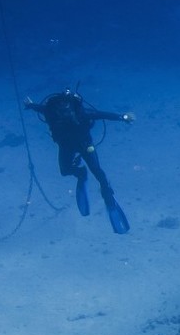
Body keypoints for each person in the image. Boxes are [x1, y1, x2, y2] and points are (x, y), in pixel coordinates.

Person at [25, 89, 134, 234]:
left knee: (95, 171)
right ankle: (83, 175)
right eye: (61, 108)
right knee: (70, 171)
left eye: (66, 107)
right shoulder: (56, 111)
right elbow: (100, 114)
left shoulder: (69, 112)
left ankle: (106, 194)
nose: (64, 110)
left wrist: (122, 117)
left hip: (80, 145)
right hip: (73, 145)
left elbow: (101, 114)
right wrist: (122, 117)